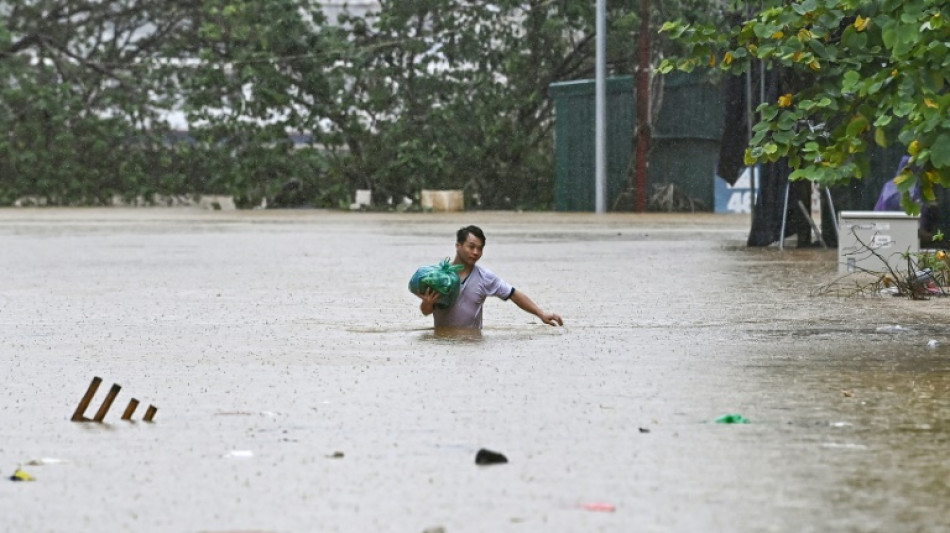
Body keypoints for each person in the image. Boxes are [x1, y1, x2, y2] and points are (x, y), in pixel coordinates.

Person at [417, 225, 563, 329]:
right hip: (444, 344)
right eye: (471, 246)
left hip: (472, 343)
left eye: (480, 248)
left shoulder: (485, 277)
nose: (476, 252)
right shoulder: (440, 278)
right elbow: (426, 311)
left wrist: (541, 313)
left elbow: (513, 294)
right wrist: (427, 302)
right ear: (458, 246)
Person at [874, 155, 942, 247]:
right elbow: (880, 214)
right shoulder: (891, 188)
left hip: (916, 240)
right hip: (891, 236)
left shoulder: (922, 187)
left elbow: (930, 213)